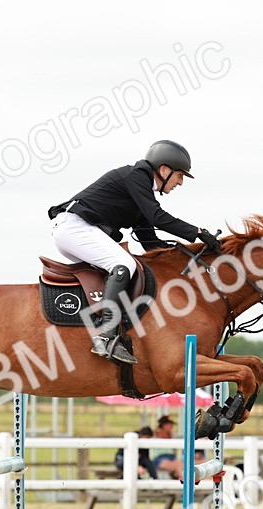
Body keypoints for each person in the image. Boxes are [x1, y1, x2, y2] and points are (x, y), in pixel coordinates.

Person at [47, 140, 222, 365]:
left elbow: (151, 243)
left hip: (80, 231)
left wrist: (190, 257)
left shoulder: (142, 194)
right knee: (125, 265)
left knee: (132, 266)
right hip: (74, 228)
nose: (180, 183)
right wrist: (197, 232)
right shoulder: (137, 177)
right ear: (164, 170)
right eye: (180, 176)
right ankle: (105, 336)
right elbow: (157, 217)